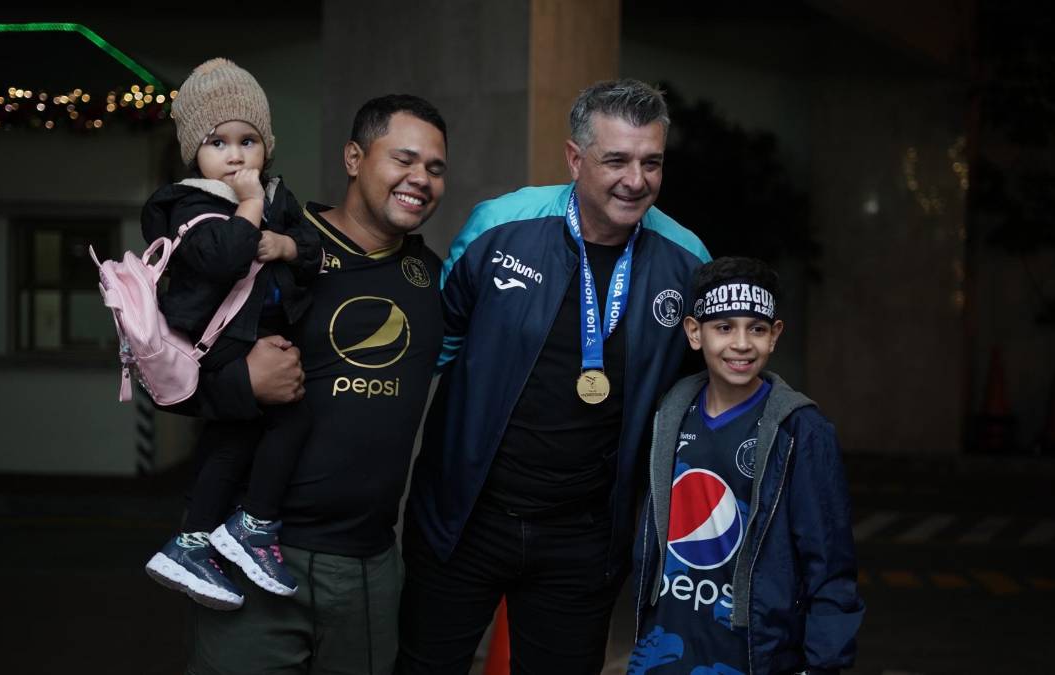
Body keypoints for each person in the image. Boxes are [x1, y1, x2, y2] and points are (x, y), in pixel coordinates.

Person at [398, 79, 711, 674]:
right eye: (616, 160)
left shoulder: (686, 258)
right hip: (465, 522)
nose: (636, 180)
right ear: (575, 158)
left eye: (652, 162)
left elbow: (705, 392)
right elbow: (430, 351)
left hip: (584, 540)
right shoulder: (500, 227)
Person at [172, 94, 449, 674]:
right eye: (403, 159)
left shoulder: (433, 281)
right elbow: (165, 366)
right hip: (251, 554)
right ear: (354, 157)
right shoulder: (275, 250)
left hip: (370, 568)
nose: (419, 179)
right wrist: (241, 383)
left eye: (435, 168)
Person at [141, 57, 322, 608]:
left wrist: (288, 245)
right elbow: (222, 260)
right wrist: (248, 209)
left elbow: (314, 253)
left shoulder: (277, 198)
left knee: (236, 441)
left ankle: (197, 540)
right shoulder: (188, 204)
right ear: (195, 151)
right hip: (215, 347)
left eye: (249, 140)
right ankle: (252, 523)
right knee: (281, 421)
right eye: (219, 142)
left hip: (256, 338)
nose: (236, 154)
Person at [628, 257, 864, 675]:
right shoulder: (668, 413)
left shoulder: (802, 431)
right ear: (694, 333)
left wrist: (823, 665)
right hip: (666, 647)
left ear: (774, 337)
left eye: (756, 328)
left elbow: (829, 566)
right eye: (724, 327)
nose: (741, 343)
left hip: (752, 655)